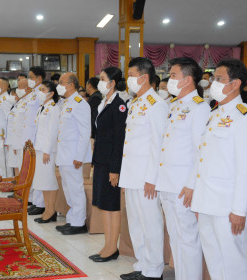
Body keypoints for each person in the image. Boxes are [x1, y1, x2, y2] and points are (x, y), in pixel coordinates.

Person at [191, 59, 247, 280]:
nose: (213, 84)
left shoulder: (245, 117)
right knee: (214, 260)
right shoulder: (215, 114)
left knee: (234, 264)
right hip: (208, 202)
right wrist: (199, 200)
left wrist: (239, 210)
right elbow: (204, 160)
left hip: (228, 206)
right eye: (213, 79)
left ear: (236, 83)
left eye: (219, 79)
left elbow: (246, 168)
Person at [156, 57, 210, 279]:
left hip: (183, 185)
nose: (170, 79)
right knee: (175, 236)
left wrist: (191, 185)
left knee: (187, 239)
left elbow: (201, 151)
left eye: (174, 75)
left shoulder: (200, 108)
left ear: (188, 80)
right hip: (168, 181)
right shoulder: (175, 105)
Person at [119, 57, 168, 280]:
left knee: (151, 223)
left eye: (131, 75)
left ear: (144, 77)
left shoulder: (156, 105)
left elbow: (158, 144)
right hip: (132, 174)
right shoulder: (136, 103)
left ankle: (154, 269)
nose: (128, 79)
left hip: (146, 177)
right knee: (136, 223)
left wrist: (152, 178)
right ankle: (141, 264)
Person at [89, 67, 127, 263]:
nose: (100, 82)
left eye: (103, 79)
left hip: (111, 163)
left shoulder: (119, 105)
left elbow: (119, 140)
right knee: (104, 205)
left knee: (111, 206)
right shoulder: (104, 103)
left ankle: (113, 247)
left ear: (112, 82)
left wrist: (115, 169)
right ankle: (107, 244)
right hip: (101, 160)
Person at [55, 73, 92, 235]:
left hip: (73, 155)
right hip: (64, 154)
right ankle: (72, 219)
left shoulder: (80, 103)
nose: (59, 85)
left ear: (70, 85)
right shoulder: (67, 103)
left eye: (61, 82)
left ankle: (79, 222)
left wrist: (79, 156)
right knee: (68, 188)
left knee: (75, 188)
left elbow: (85, 133)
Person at [32, 81, 61, 223]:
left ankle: (51, 210)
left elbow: (52, 131)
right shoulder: (42, 108)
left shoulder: (54, 109)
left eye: (43, 90)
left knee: (49, 180)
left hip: (47, 151)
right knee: (42, 181)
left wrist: (47, 151)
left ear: (51, 93)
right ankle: (46, 209)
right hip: (39, 148)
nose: (40, 92)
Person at [26, 67, 45, 215]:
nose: (29, 80)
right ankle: (34, 199)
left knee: (39, 171)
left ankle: (40, 203)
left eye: (31, 77)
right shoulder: (32, 94)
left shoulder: (41, 94)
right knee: (32, 171)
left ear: (39, 78)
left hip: (37, 137)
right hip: (30, 137)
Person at [0, 77, 16, 177]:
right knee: (0, 159)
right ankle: (2, 178)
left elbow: (9, 119)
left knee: (6, 159)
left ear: (4, 86)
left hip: (3, 135)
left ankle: (7, 179)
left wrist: (6, 135)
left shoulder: (6, 100)